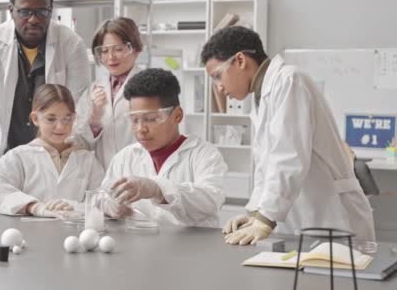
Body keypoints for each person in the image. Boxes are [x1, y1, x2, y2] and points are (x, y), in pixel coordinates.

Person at [200, 26, 375, 244]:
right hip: (306, 220)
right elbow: (267, 166)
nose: (219, 88)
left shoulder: (289, 81)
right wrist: (255, 213)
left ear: (240, 61)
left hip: (334, 217)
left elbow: (289, 157)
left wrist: (266, 218)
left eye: (218, 76)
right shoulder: (260, 96)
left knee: (334, 276)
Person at [0, 0, 91, 201]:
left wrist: (71, 163)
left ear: (51, 11)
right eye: (24, 12)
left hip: (55, 162)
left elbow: (79, 108)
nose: (33, 19)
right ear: (11, 10)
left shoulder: (71, 43)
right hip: (7, 162)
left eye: (42, 12)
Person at [100, 68, 227, 227]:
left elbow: (211, 200)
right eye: (134, 120)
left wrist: (158, 189)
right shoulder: (124, 157)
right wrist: (109, 207)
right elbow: (103, 196)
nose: (141, 129)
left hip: (193, 248)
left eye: (151, 119)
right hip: (138, 248)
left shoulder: (204, 154)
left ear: (177, 116)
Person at [0, 84, 104, 217]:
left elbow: (101, 201)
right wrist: (33, 207)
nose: (60, 127)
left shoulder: (87, 160)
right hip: (29, 235)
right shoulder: (17, 157)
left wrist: (74, 207)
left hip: (75, 235)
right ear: (35, 118)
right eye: (51, 119)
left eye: (67, 119)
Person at [75, 17, 143, 169]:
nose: (111, 57)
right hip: (103, 176)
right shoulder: (94, 90)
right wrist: (94, 118)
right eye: (104, 51)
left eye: (118, 49)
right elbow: (79, 143)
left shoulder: (151, 88)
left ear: (136, 49)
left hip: (140, 172)